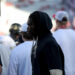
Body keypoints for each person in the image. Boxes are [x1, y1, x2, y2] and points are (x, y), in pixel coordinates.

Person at [27, 11, 64, 75]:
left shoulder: (49, 44)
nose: (28, 28)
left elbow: (56, 72)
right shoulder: (40, 42)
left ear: (39, 26)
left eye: (31, 24)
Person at [53, 11, 75, 75]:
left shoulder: (54, 36)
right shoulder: (74, 33)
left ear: (56, 21)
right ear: (67, 21)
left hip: (62, 72)